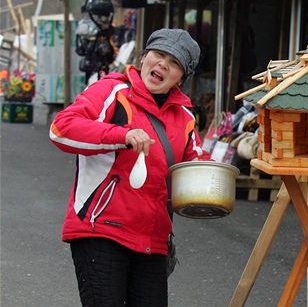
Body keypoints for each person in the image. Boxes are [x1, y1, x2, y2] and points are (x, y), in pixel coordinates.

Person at [50, 28, 209, 306]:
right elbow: (61, 129)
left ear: (181, 78)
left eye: (173, 63)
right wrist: (120, 135)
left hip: (153, 240)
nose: (162, 64)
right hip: (101, 230)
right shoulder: (111, 90)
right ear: (144, 56)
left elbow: (194, 164)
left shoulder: (184, 117)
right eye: (159, 55)